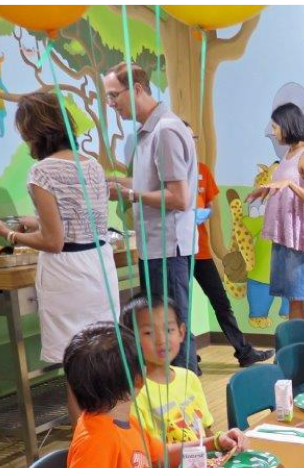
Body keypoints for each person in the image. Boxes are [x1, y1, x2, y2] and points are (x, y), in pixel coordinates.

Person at [51, 322, 241, 468]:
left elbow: (161, 456)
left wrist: (213, 443)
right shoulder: (97, 440)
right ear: (140, 380)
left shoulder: (125, 421)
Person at [0, 91, 119, 366]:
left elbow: (54, 241)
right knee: (104, 360)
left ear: (34, 131)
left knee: (76, 363)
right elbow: (81, 223)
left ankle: (79, 413)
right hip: (100, 267)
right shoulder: (91, 165)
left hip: (68, 275)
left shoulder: (42, 172)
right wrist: (37, 222)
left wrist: (6, 233)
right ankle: (111, 411)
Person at [103, 64, 201, 373]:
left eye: (114, 95)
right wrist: (115, 184)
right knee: (163, 328)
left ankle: (190, 404)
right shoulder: (148, 133)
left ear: (138, 89)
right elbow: (151, 185)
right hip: (154, 248)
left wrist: (130, 196)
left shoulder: (166, 130)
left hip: (168, 249)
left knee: (171, 330)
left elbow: (179, 197)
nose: (112, 104)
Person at [252, 102, 304, 352]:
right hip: (285, 237)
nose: (273, 132)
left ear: (288, 125)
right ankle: (297, 352)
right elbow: (283, 186)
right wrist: (265, 190)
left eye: (276, 126)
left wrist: (292, 186)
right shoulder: (288, 155)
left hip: (303, 238)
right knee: (294, 297)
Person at [120, 296, 244, 450]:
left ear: (181, 332)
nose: (161, 340)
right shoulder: (135, 393)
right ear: (130, 340)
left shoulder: (189, 377)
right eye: (148, 333)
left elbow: (205, 430)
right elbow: (145, 456)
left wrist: (223, 442)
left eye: (168, 330)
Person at [188, 160, 274, 366]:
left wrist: (204, 213)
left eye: (193, 138)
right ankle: (187, 356)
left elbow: (210, 203)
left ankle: (244, 352)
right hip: (175, 254)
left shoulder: (202, 169)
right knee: (180, 307)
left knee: (221, 301)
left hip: (201, 251)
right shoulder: (168, 170)